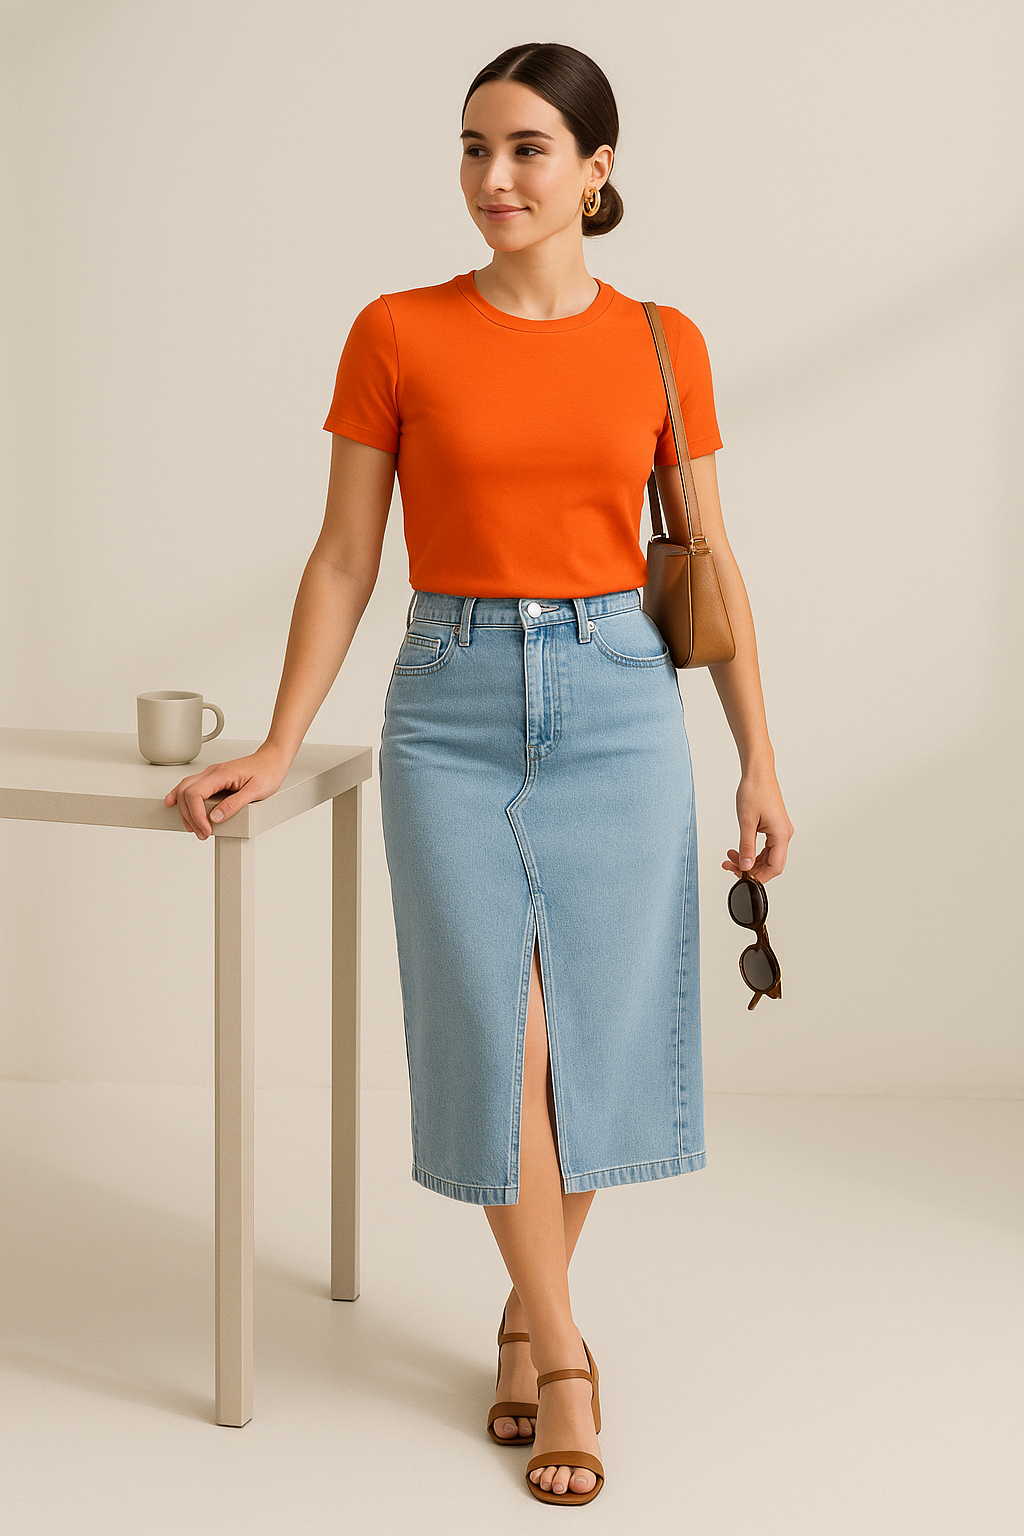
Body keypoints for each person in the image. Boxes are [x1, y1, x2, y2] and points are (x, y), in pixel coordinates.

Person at [165, 40, 794, 1508]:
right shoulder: (396, 330)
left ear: (597, 168)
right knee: (496, 1033)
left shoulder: (661, 339)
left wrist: (762, 754)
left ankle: (527, 1317)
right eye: (472, 148)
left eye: (525, 149)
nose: (493, 178)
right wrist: (276, 733)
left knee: (592, 1037)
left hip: (626, 699)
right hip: (448, 698)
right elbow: (342, 555)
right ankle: (567, 1353)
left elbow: (714, 560)